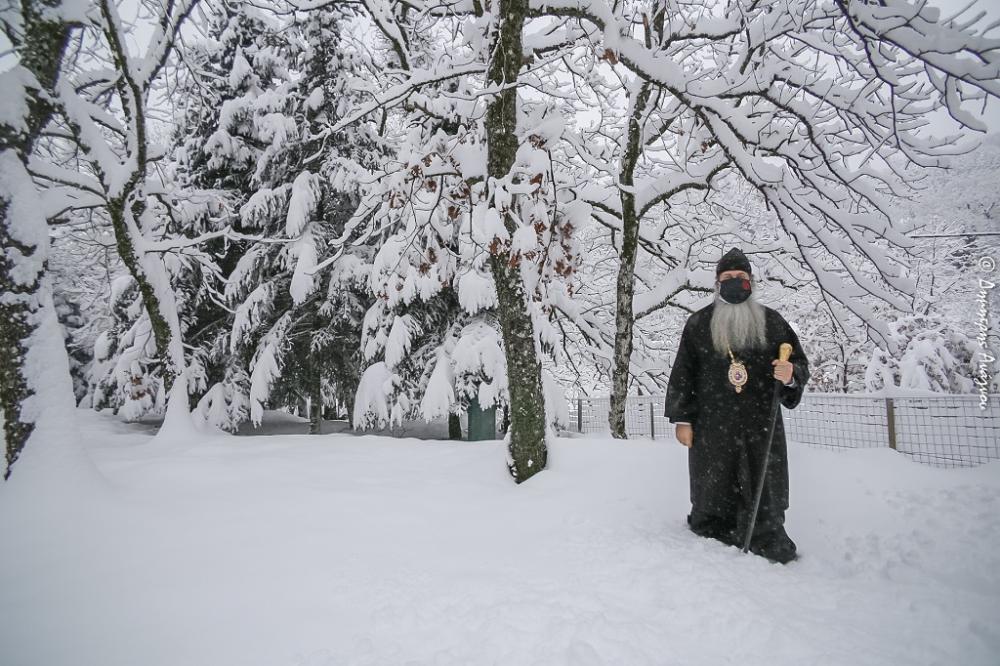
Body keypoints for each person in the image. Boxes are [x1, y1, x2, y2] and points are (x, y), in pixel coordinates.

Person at [664, 248, 809, 564]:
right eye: (727, 278)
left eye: (740, 278)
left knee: (763, 484)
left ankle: (766, 532)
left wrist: (791, 375)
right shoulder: (699, 323)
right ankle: (716, 528)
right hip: (713, 424)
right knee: (715, 482)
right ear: (717, 284)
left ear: (751, 283)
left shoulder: (772, 322)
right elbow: (684, 373)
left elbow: (798, 363)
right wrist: (683, 419)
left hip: (761, 421)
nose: (734, 283)